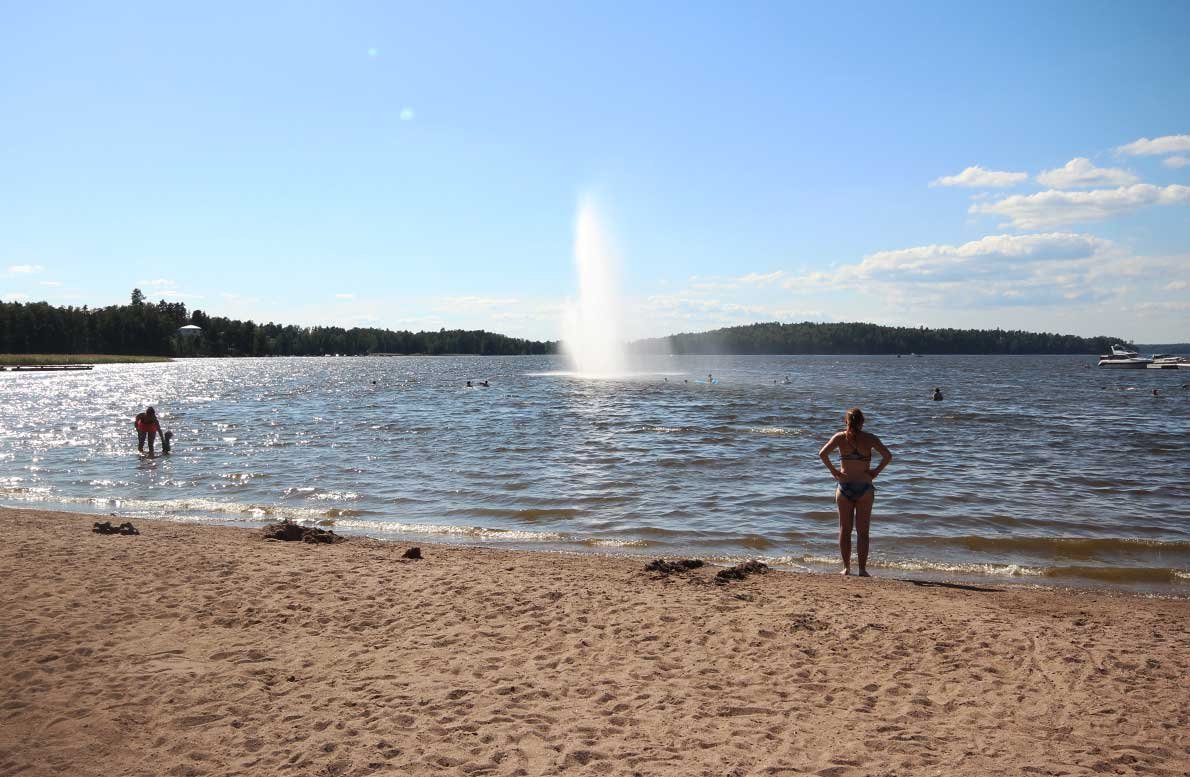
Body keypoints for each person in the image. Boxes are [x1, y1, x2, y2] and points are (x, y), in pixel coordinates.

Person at [818, 408, 892, 577]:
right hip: (865, 488)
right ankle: (862, 569)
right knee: (863, 531)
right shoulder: (870, 438)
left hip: (844, 488)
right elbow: (887, 456)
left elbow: (822, 454)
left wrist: (834, 472)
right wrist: (875, 472)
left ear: (846, 422)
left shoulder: (839, 437)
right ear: (862, 422)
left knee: (845, 530)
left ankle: (846, 568)